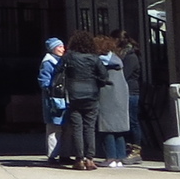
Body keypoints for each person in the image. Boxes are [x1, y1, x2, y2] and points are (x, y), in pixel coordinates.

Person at [54, 29, 106, 169]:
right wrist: (96, 83)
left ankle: (79, 159)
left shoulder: (69, 56)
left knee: (77, 127)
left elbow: (57, 71)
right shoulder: (94, 58)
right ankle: (90, 158)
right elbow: (104, 76)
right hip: (92, 95)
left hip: (74, 95)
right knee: (89, 127)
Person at [96, 34, 133, 167]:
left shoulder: (101, 62)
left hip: (107, 96)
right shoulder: (117, 60)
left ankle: (110, 157)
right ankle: (120, 157)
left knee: (107, 128)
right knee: (119, 129)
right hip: (121, 96)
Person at [38, 36, 67, 158]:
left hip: (64, 98)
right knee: (53, 129)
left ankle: (65, 154)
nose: (63, 49)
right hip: (53, 100)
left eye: (63, 46)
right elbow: (44, 81)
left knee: (67, 128)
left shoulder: (64, 61)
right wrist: (52, 90)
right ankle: (53, 155)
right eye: (59, 47)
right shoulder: (48, 63)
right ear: (53, 49)